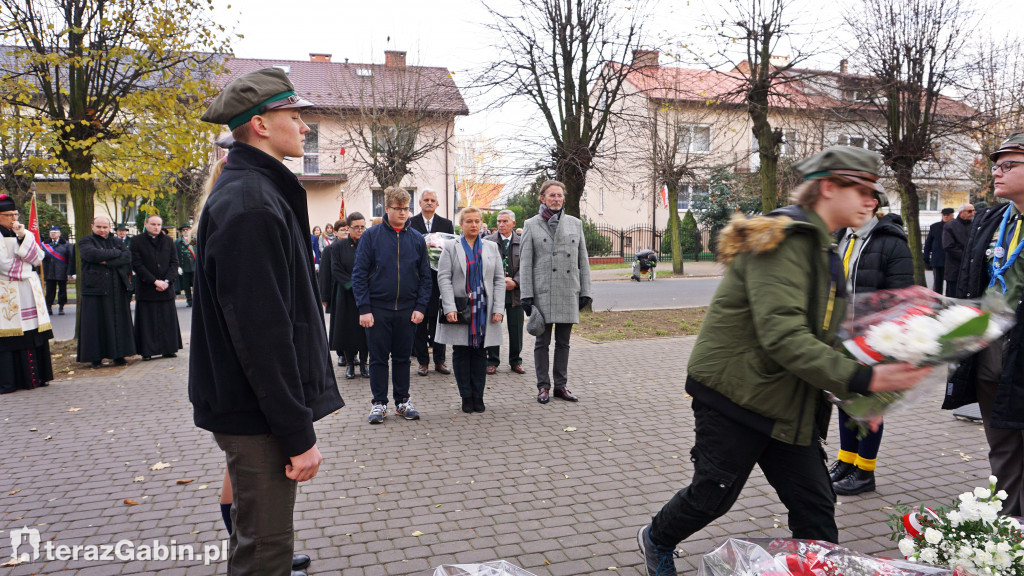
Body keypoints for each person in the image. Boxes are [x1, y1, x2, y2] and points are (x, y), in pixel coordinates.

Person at [636, 146, 932, 576]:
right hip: (737, 395)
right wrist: (864, 378)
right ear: (829, 187)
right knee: (713, 494)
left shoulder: (822, 246)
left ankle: (815, 569)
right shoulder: (786, 240)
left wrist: (862, 392)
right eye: (864, 190)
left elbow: (820, 335)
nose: (873, 201)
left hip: (786, 401)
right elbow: (784, 336)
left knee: (815, 506)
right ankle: (658, 537)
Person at [190, 67, 343, 576]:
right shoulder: (252, 202)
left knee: (259, 538)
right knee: (264, 553)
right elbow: (263, 334)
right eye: (294, 116)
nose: (304, 126)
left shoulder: (257, 191)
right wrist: (297, 434)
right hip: (257, 412)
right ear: (260, 124)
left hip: (253, 405)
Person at [944, 132, 1024, 517]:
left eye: (1010, 165)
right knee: (1002, 445)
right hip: (992, 352)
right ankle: (1009, 532)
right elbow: (969, 281)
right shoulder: (992, 218)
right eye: (996, 165)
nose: (997, 172)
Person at [829, 191, 914, 495]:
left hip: (876, 338)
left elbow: (902, 299)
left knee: (869, 402)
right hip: (842, 336)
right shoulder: (840, 236)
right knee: (845, 398)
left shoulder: (891, 241)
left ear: (871, 203)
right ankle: (846, 461)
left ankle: (865, 471)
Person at [352, 186, 432, 424]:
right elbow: (359, 274)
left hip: (407, 310)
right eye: (397, 209)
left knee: (402, 358)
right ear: (386, 208)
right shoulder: (371, 236)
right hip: (378, 309)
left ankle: (402, 401)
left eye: (406, 209)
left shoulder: (417, 239)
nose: (402, 213)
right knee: (378, 358)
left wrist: (420, 307)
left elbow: (426, 277)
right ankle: (378, 403)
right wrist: (364, 308)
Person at [519, 180, 592, 404]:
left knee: (564, 342)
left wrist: (585, 291)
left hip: (568, 289)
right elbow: (525, 263)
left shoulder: (575, 223)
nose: (556, 199)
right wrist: (526, 295)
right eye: (551, 195)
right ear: (542, 198)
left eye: (559, 195)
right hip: (542, 291)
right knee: (542, 342)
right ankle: (543, 386)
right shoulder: (531, 224)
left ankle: (561, 386)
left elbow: (583, 260)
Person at [435, 206, 505, 413]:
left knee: (480, 352)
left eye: (477, 221)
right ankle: (466, 396)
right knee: (461, 351)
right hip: (460, 307)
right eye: (469, 221)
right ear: (461, 224)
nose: (473, 225)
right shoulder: (450, 246)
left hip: (484, 307)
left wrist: (498, 308)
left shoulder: (491, 248)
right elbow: (444, 277)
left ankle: (478, 396)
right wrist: (448, 307)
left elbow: (499, 280)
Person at [0, 194, 53, 394]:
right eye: (9, 215)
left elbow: (39, 258)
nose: (14, 219)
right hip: (7, 291)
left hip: (28, 290)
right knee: (11, 334)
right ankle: (11, 381)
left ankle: (37, 377)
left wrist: (23, 237)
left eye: (15, 214)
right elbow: (3, 264)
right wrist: (26, 269)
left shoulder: (23, 232)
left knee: (32, 332)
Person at [77, 216, 135, 368]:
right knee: (96, 324)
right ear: (92, 226)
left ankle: (119, 355)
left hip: (117, 287)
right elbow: (91, 255)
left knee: (118, 322)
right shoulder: (85, 241)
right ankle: (95, 357)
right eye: (99, 227)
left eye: (105, 227)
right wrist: (115, 253)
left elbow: (127, 257)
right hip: (95, 288)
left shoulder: (116, 241)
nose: (102, 230)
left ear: (110, 227)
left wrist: (107, 261)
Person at [408, 189, 455, 376]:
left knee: (438, 322)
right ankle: (423, 362)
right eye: (425, 200)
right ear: (419, 203)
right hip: (417, 282)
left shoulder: (446, 224)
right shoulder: (411, 223)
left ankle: (440, 361)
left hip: (439, 281)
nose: (429, 203)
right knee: (420, 322)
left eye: (432, 200)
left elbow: (450, 249)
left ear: (437, 204)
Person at [320, 212, 370, 379]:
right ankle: (350, 363)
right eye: (356, 227)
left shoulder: (370, 244)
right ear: (348, 228)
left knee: (365, 330)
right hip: (347, 294)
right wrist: (354, 286)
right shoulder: (338, 247)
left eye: (363, 227)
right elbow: (336, 270)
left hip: (367, 295)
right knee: (348, 330)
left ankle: (364, 363)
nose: (360, 230)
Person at [130, 214, 182, 361]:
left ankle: (169, 349)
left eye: (159, 225)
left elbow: (174, 262)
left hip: (166, 287)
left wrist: (167, 281)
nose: (156, 227)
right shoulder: (136, 241)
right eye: (153, 224)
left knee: (167, 320)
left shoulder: (168, 241)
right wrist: (154, 281)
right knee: (147, 321)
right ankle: (147, 350)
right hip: (147, 288)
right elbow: (137, 264)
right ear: (146, 224)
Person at [485, 210, 525, 374]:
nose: (501, 224)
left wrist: (515, 281)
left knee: (516, 329)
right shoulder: (488, 242)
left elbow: (528, 267)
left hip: (516, 293)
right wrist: (500, 281)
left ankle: (516, 361)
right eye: (499, 221)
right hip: (495, 293)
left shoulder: (523, 243)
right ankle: (492, 360)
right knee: (493, 326)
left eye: (505, 221)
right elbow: (485, 266)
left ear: (513, 224)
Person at [943, 202, 975, 296]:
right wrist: (966, 257)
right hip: (955, 269)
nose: (972, 213)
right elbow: (949, 246)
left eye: (973, 211)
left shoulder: (974, 226)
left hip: (970, 270)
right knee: (953, 297)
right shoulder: (950, 226)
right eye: (969, 211)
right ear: (961, 212)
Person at [41, 225, 73, 316]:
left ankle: (61, 307)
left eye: (54, 232)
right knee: (50, 291)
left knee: (62, 290)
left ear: (59, 233)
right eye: (51, 232)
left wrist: (70, 272)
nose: (52, 234)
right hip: (49, 271)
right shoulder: (45, 245)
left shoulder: (66, 244)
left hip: (62, 271)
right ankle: (49, 307)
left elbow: (71, 259)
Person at [923, 208, 954, 294]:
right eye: (944, 214)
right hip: (938, 259)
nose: (946, 216)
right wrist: (926, 256)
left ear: (952, 215)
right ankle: (936, 301)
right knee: (937, 283)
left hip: (952, 260)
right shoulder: (935, 227)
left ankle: (950, 301)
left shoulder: (956, 226)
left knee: (951, 284)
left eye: (948, 214)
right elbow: (928, 243)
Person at [176, 223, 196, 307]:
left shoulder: (194, 240)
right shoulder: (178, 242)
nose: (185, 231)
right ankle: (189, 300)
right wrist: (177, 266)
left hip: (194, 266)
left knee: (196, 284)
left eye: (187, 229)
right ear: (181, 232)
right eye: (183, 230)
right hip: (184, 266)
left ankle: (196, 300)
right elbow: (175, 254)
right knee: (186, 285)